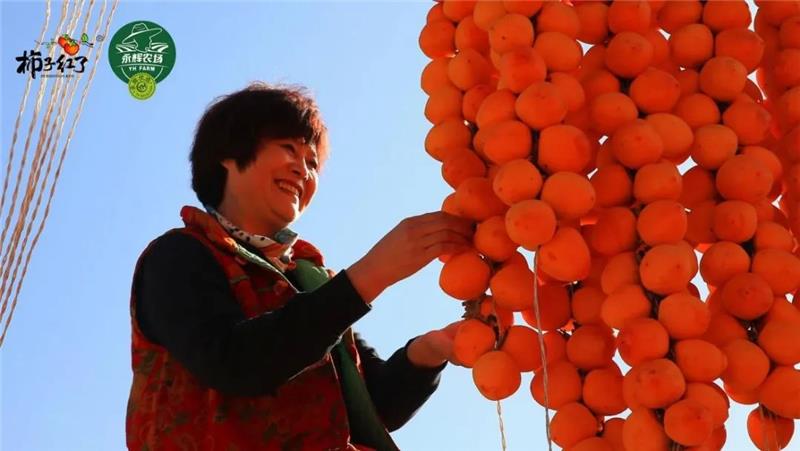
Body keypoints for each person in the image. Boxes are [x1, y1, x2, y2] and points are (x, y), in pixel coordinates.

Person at [125, 82, 476, 450]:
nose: (303, 171)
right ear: (229, 153)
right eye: (289, 149)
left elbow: (370, 405)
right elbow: (232, 362)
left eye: (312, 162)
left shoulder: (308, 278)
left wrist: (431, 350)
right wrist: (371, 274)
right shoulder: (180, 254)